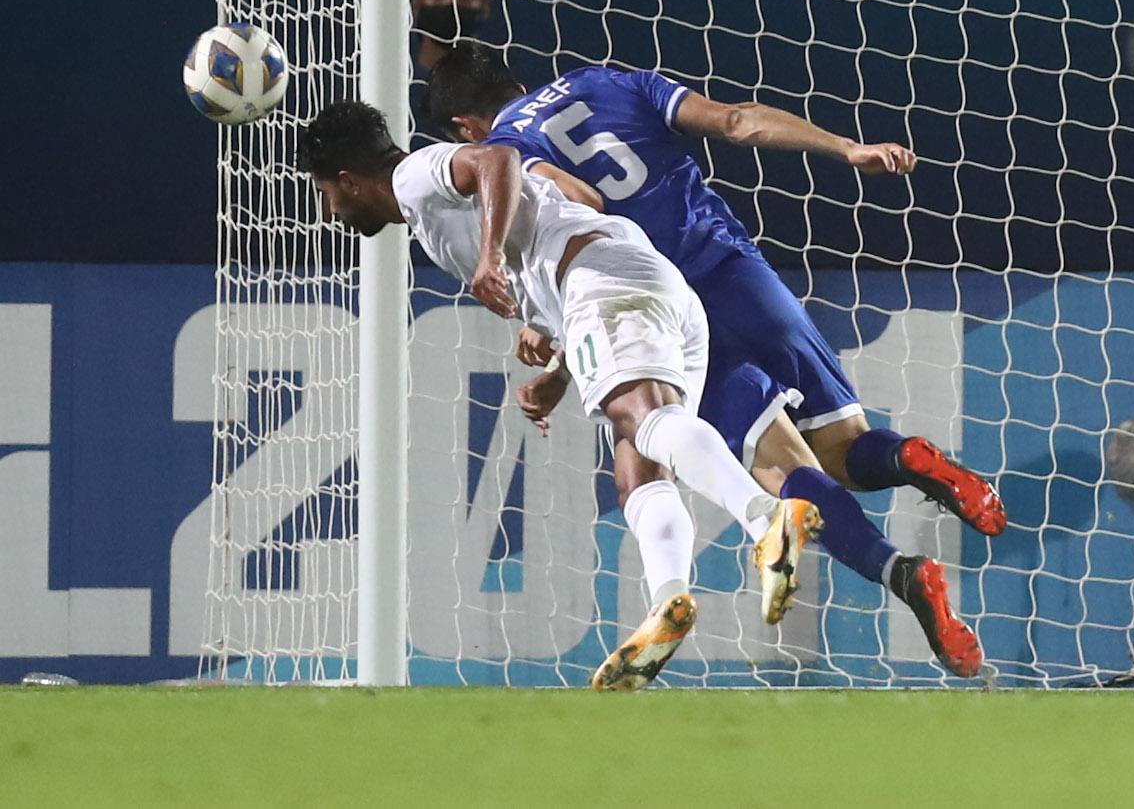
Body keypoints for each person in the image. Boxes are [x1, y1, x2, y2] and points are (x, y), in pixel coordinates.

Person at [424, 44, 998, 678]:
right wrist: (847, 149)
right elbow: (737, 121)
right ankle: (910, 457)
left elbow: (585, 216)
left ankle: (906, 575)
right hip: (739, 273)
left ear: (463, 128)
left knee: (786, 476)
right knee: (848, 452)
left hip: (666, 312)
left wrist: (553, 338)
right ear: (515, 81)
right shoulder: (606, 80)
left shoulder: (505, 150)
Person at [298, 98, 821, 692]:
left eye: (325, 193)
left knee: (645, 422)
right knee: (638, 468)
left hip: (604, 282)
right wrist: (561, 361)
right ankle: (669, 599)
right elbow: (585, 200)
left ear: (348, 181)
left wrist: (493, 258)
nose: (329, 210)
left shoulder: (414, 175)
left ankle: (765, 517)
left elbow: (496, 157)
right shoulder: (435, 210)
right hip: (641, 282)